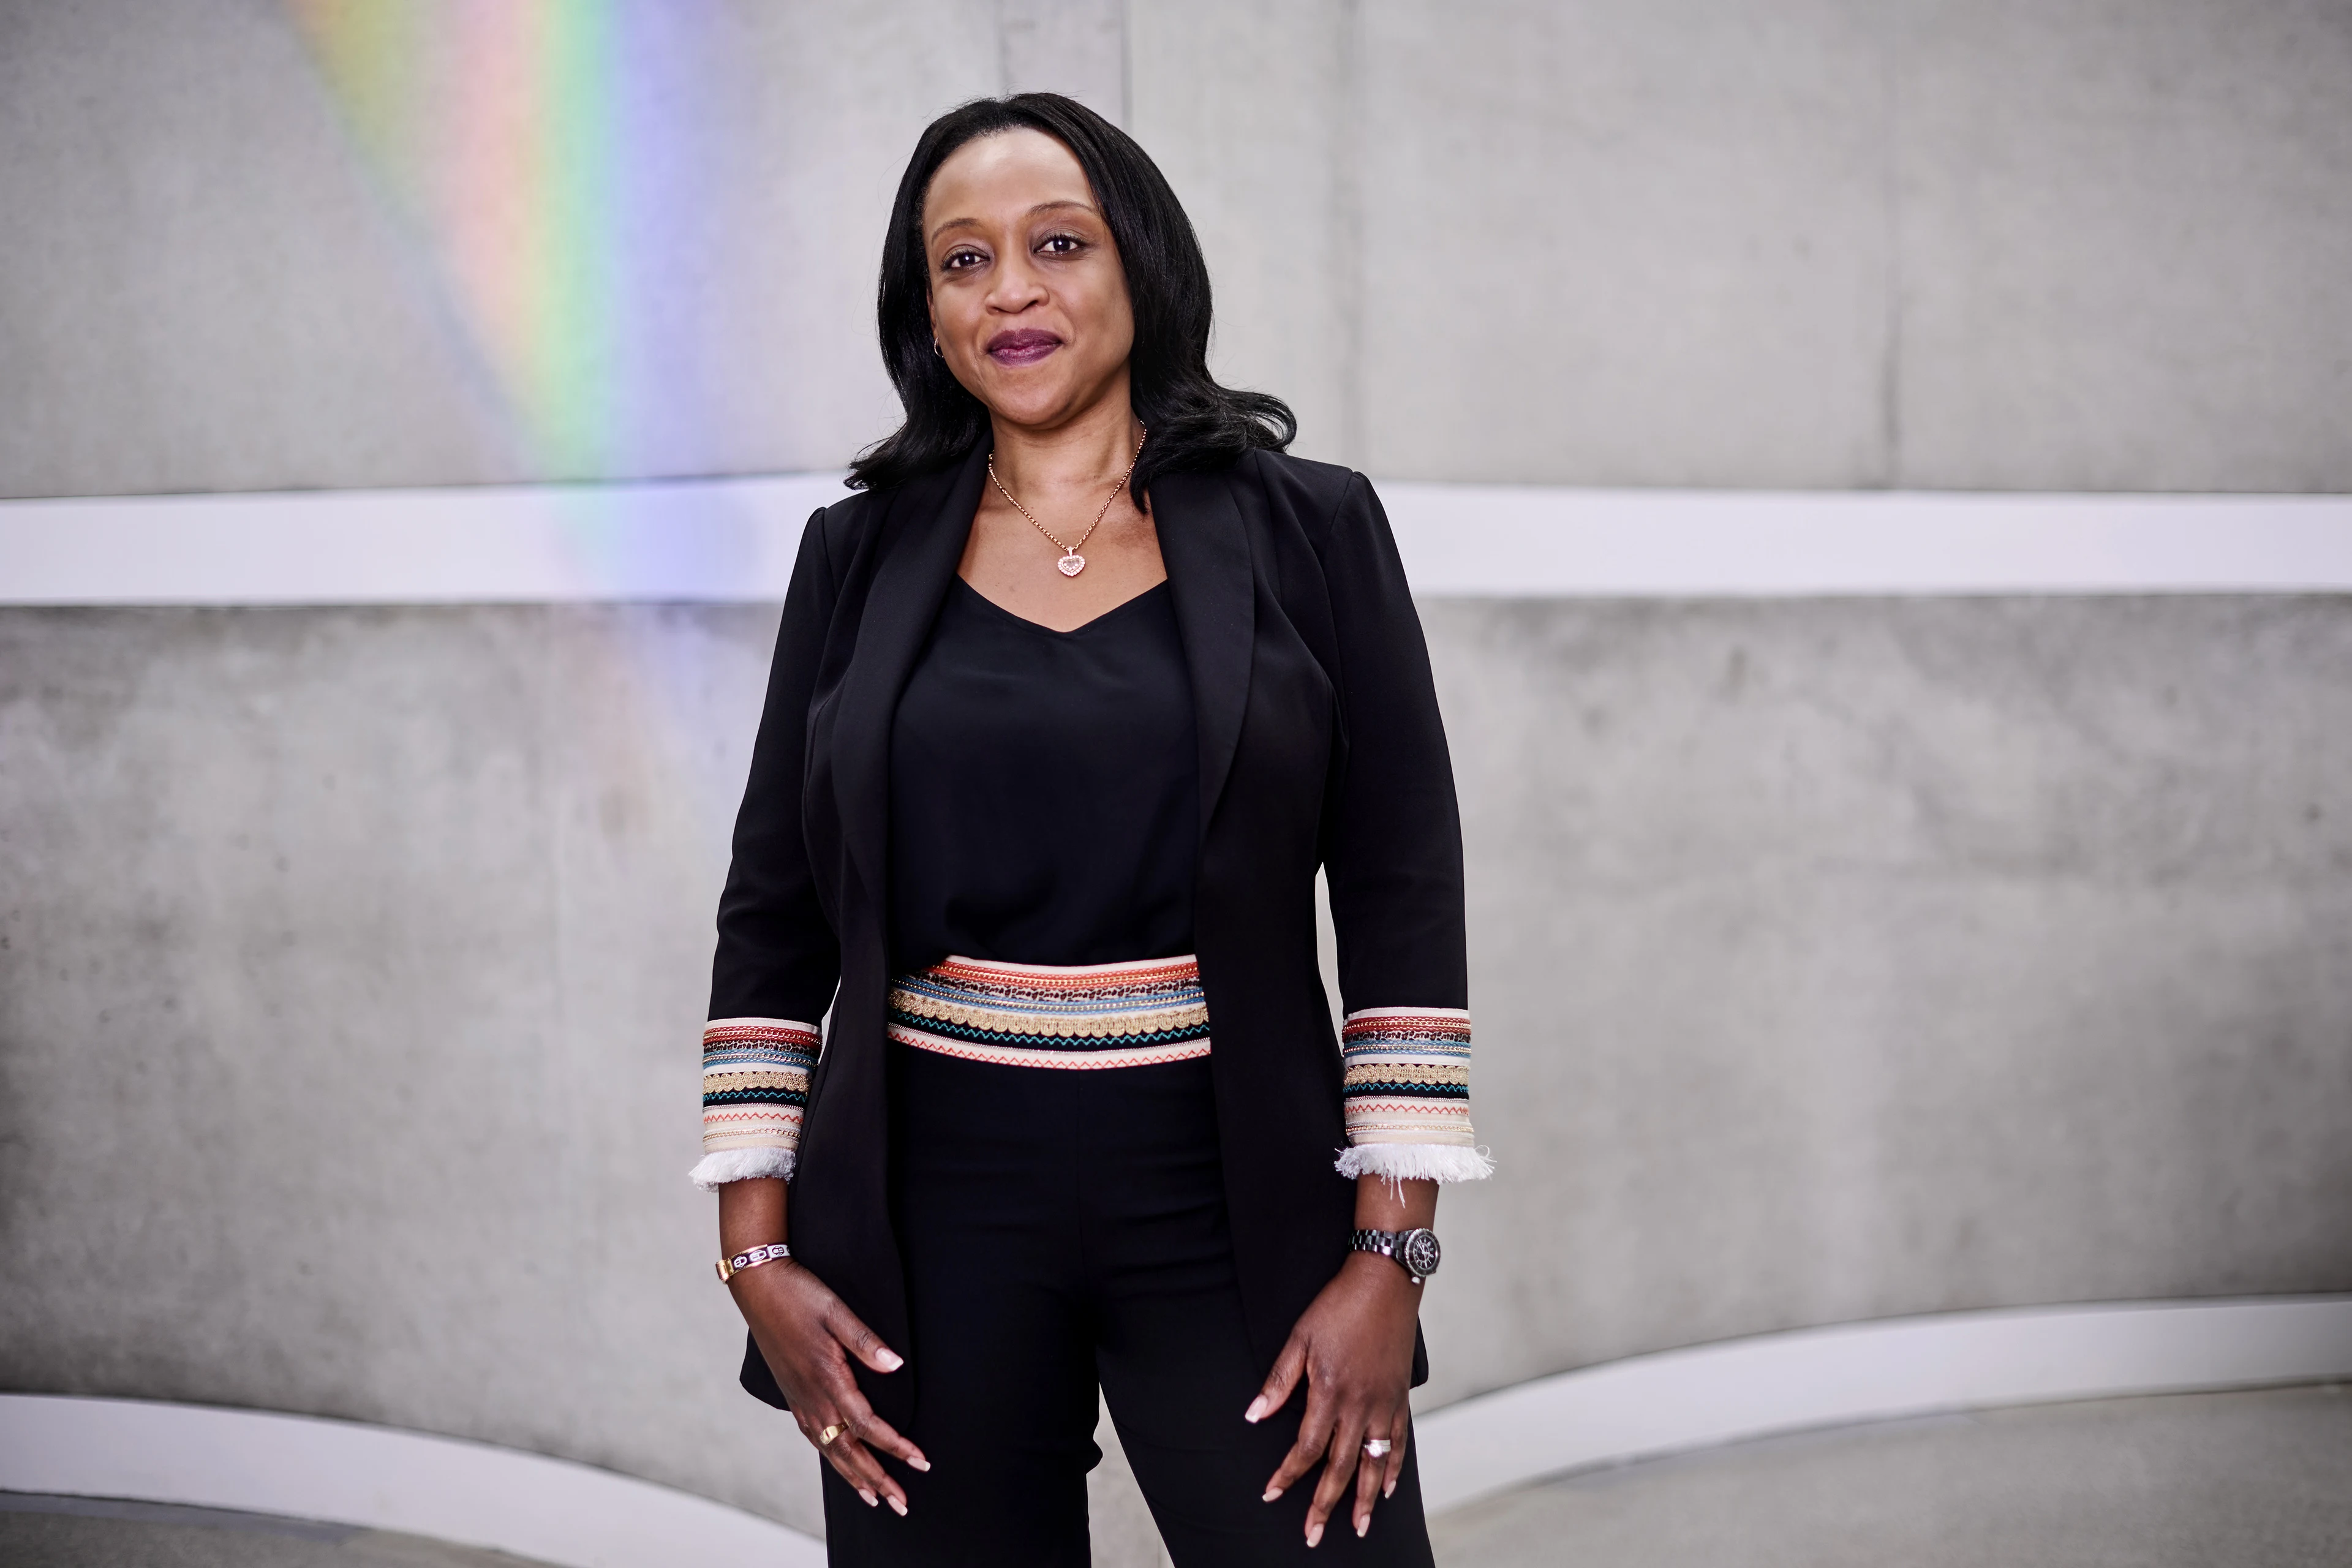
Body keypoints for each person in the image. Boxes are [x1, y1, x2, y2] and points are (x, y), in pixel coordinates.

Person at [691, 92, 1489, 1566]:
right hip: (928, 1215)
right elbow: (774, 910)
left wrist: (1393, 1251)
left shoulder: (1315, 531)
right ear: (922, 306)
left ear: (1142, 266)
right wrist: (754, 1248)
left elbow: (1399, 892)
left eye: (1057, 244)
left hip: (1233, 1186)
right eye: (962, 260)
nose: (1010, 291)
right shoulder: (855, 555)